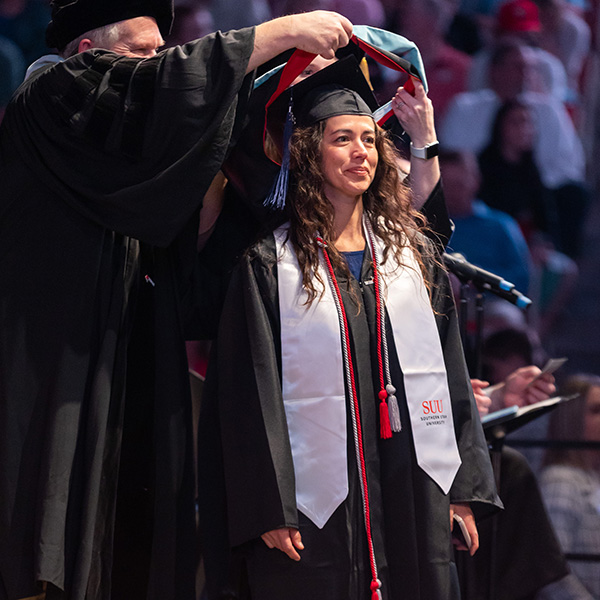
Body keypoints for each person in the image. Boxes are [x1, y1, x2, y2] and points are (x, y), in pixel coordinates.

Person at [0, 1, 355, 599]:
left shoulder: (133, 163)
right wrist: (278, 32)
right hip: (49, 357)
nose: (159, 66)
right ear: (91, 54)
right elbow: (164, 91)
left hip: (129, 355)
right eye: (143, 53)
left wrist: (277, 79)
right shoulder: (50, 94)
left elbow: (199, 217)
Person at [198, 60, 500, 600]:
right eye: (343, 139)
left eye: (369, 139)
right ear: (310, 152)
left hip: (411, 487)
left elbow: (450, 374)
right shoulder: (270, 265)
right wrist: (269, 505)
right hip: (316, 511)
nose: (361, 151)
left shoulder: (412, 261)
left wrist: (459, 489)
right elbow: (248, 395)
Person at [540, 374, 600, 599]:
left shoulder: (592, 476)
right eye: (596, 410)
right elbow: (552, 572)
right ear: (572, 418)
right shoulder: (561, 481)